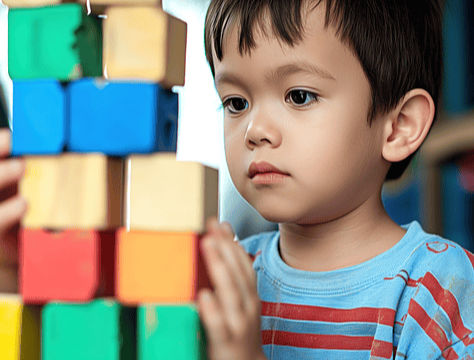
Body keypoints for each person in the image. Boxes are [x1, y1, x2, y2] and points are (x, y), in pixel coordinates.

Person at [197, 0, 474, 359]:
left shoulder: (440, 293)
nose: (255, 130)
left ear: (400, 126)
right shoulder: (227, 283)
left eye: (299, 96)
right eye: (236, 102)